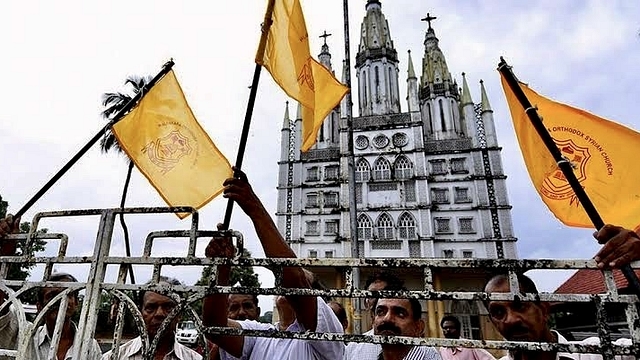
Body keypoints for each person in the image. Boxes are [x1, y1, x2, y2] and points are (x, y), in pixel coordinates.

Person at [202, 169, 344, 360]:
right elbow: (214, 327)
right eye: (281, 282)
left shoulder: (325, 337)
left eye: (304, 280)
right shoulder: (261, 334)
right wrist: (223, 267)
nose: (285, 285)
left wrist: (254, 208)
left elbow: (294, 280)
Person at [0, 215, 102, 360]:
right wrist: (5, 255)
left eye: (67, 295)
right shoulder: (26, 336)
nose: (60, 300)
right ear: (39, 306)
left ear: (77, 304)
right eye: (52, 295)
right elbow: (1, 315)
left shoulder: (89, 346)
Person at [483, 273, 633, 360]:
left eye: (520, 305)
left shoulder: (594, 354)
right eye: (498, 312)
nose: (511, 320)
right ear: (493, 323)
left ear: (543, 309)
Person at [101, 276, 202, 360]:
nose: (159, 314)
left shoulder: (194, 358)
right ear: (139, 313)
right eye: (151, 308)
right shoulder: (114, 357)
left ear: (179, 314)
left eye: (168, 307)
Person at [344, 271, 405, 360]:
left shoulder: (420, 347)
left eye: (382, 294)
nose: (377, 300)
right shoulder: (354, 347)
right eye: (372, 295)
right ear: (366, 303)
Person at [372, 293, 441, 360]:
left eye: (400, 313)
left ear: (418, 327)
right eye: (380, 312)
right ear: (373, 321)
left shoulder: (430, 356)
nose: (387, 319)